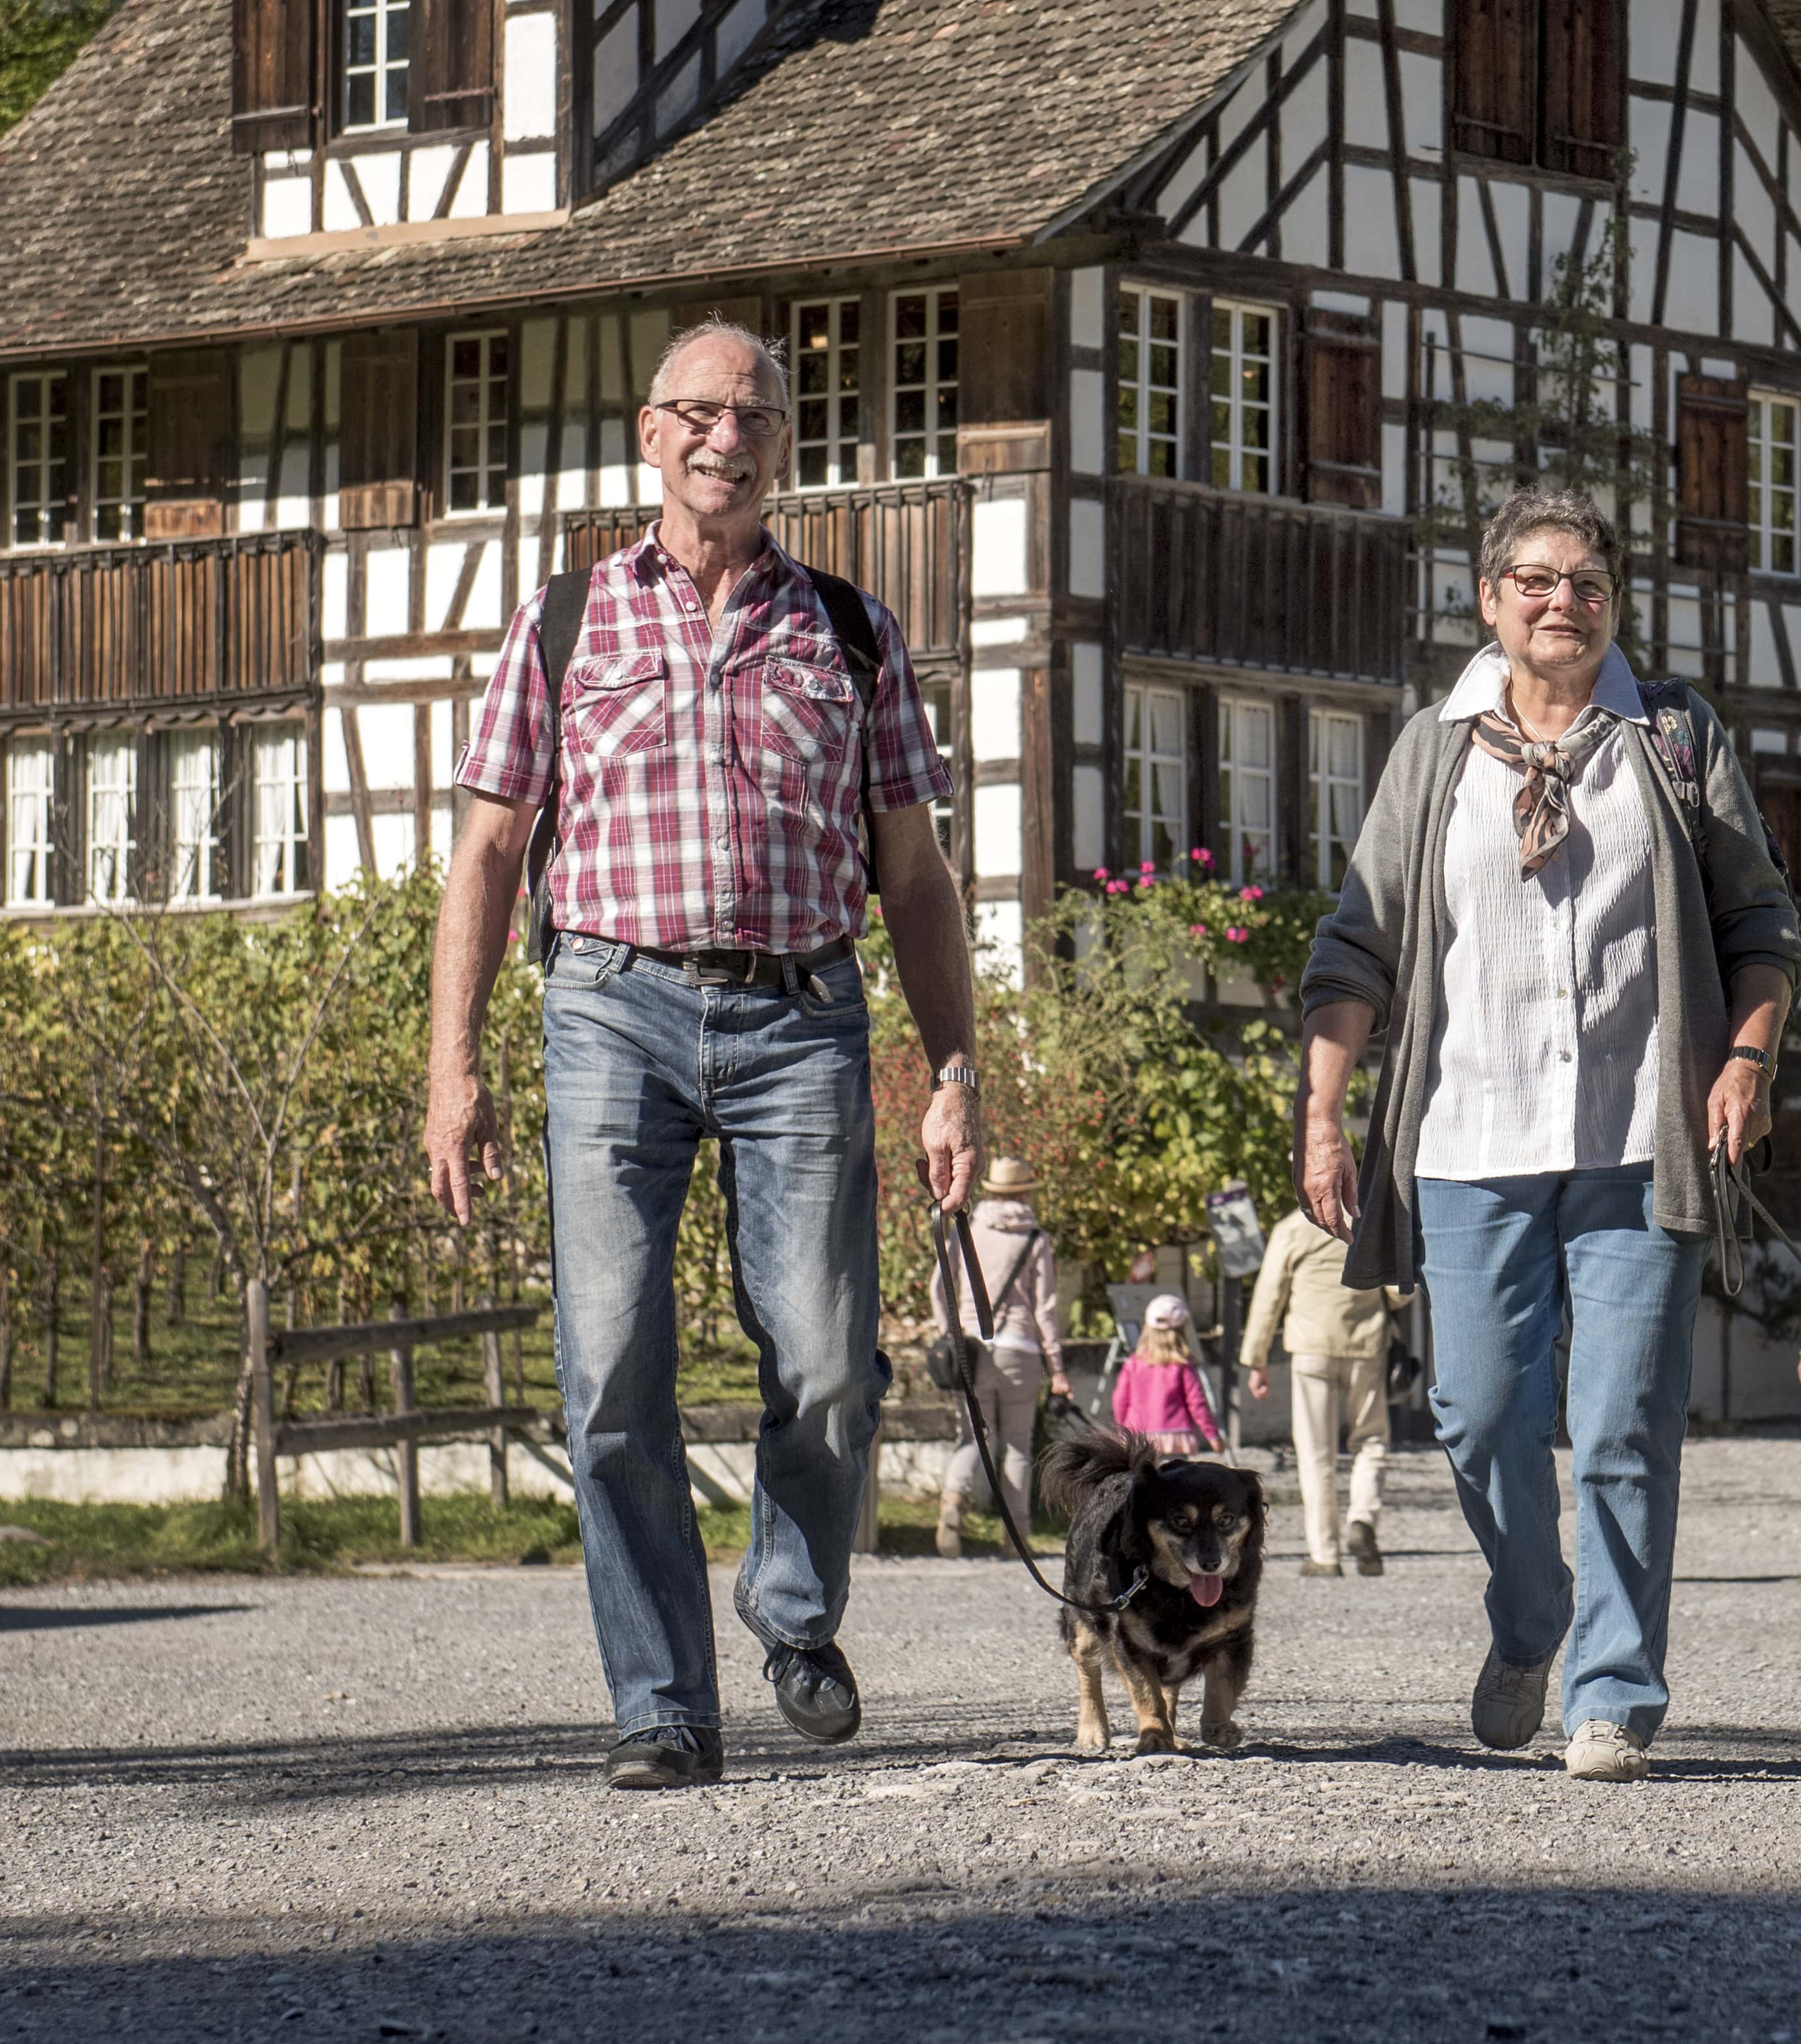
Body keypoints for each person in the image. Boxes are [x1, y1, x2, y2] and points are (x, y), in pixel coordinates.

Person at [420, 318, 981, 1792]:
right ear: (647, 433)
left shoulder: (851, 631)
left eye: (754, 415)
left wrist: (955, 1067)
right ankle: (659, 1699)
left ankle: (793, 1609)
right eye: (697, 412)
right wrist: (451, 1066)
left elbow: (915, 879)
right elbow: (485, 851)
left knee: (825, 1363)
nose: (726, 436)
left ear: (783, 443)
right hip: (611, 1003)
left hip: (802, 1011)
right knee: (610, 1368)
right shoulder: (565, 620)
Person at [1297, 482, 1801, 1782]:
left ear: (1613, 600)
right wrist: (1322, 1109)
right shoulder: (1433, 751)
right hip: (1467, 1134)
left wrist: (1744, 1055)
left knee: (1627, 1418)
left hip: (1640, 1132)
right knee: (1473, 1416)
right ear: (1488, 598)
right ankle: (1529, 1609)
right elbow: (1354, 943)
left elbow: (1763, 930)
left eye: (1584, 581)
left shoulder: (1673, 738)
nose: (1559, 602)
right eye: (1532, 578)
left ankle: (1612, 1691)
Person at [1244, 1196, 1403, 1575]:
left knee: (1316, 1454)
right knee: (1371, 1440)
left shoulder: (1292, 1230)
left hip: (1311, 1348)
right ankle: (1362, 1518)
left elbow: (1269, 1298)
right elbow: (1401, 1293)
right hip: (1365, 1345)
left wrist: (1256, 1359)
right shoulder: (1373, 1224)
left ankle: (1325, 1555)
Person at [938, 1153, 1061, 1555]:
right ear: (1025, 1191)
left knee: (973, 1435)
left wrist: (949, 1331)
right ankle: (1016, 1539)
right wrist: (1057, 1368)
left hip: (971, 1350)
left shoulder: (968, 1230)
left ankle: (952, 1504)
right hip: (1021, 1350)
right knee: (1017, 1446)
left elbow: (941, 1286)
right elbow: (1045, 1309)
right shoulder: (1036, 1239)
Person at [1109, 1291, 1220, 1457]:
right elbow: (1196, 1402)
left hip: (1139, 1435)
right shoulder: (1182, 1364)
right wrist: (1212, 1435)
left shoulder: (1133, 1363)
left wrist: (1121, 1431)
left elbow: (1120, 1399)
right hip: (1175, 1436)